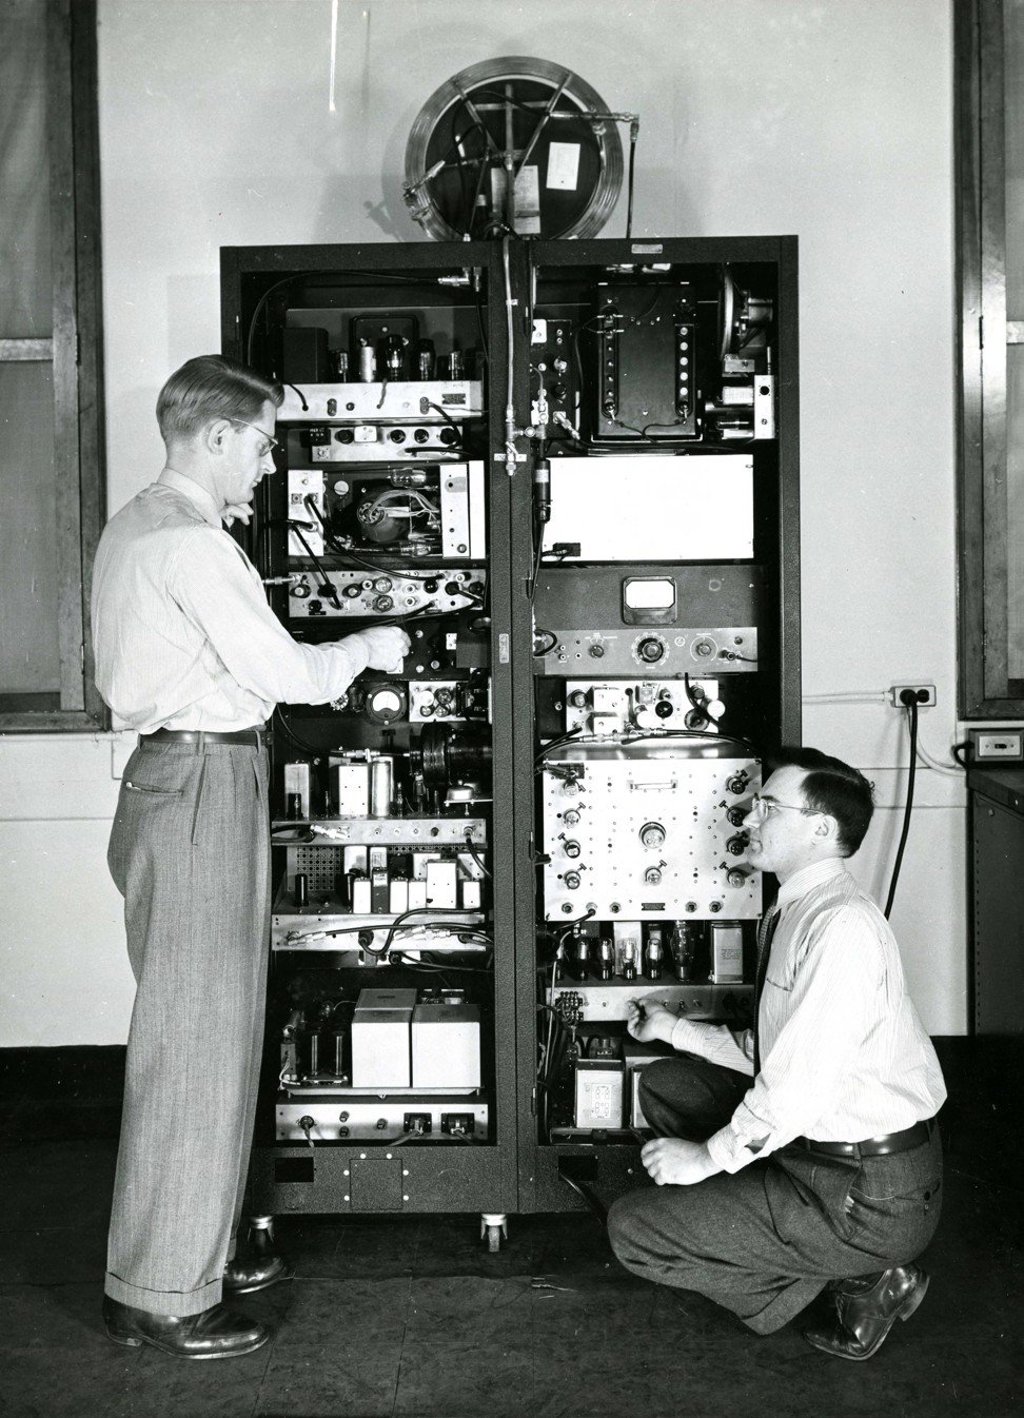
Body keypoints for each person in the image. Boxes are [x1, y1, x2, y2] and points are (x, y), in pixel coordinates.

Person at [91, 355, 410, 1360]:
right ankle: (163, 1293)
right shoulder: (192, 545)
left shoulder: (137, 524)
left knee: (206, 1037)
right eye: (266, 442)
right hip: (201, 784)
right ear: (217, 435)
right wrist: (369, 644)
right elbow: (285, 675)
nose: (270, 464)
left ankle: (193, 1253)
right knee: (195, 1044)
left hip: (172, 781)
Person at [608, 747, 946, 1361]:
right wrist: (673, 1030)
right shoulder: (799, 908)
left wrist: (705, 1160)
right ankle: (813, 1250)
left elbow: (797, 1087)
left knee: (635, 1232)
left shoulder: (839, 928)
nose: (750, 819)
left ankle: (855, 1285)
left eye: (767, 806)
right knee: (664, 1084)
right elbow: (776, 1055)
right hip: (827, 1153)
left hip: (865, 1196)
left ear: (820, 829)